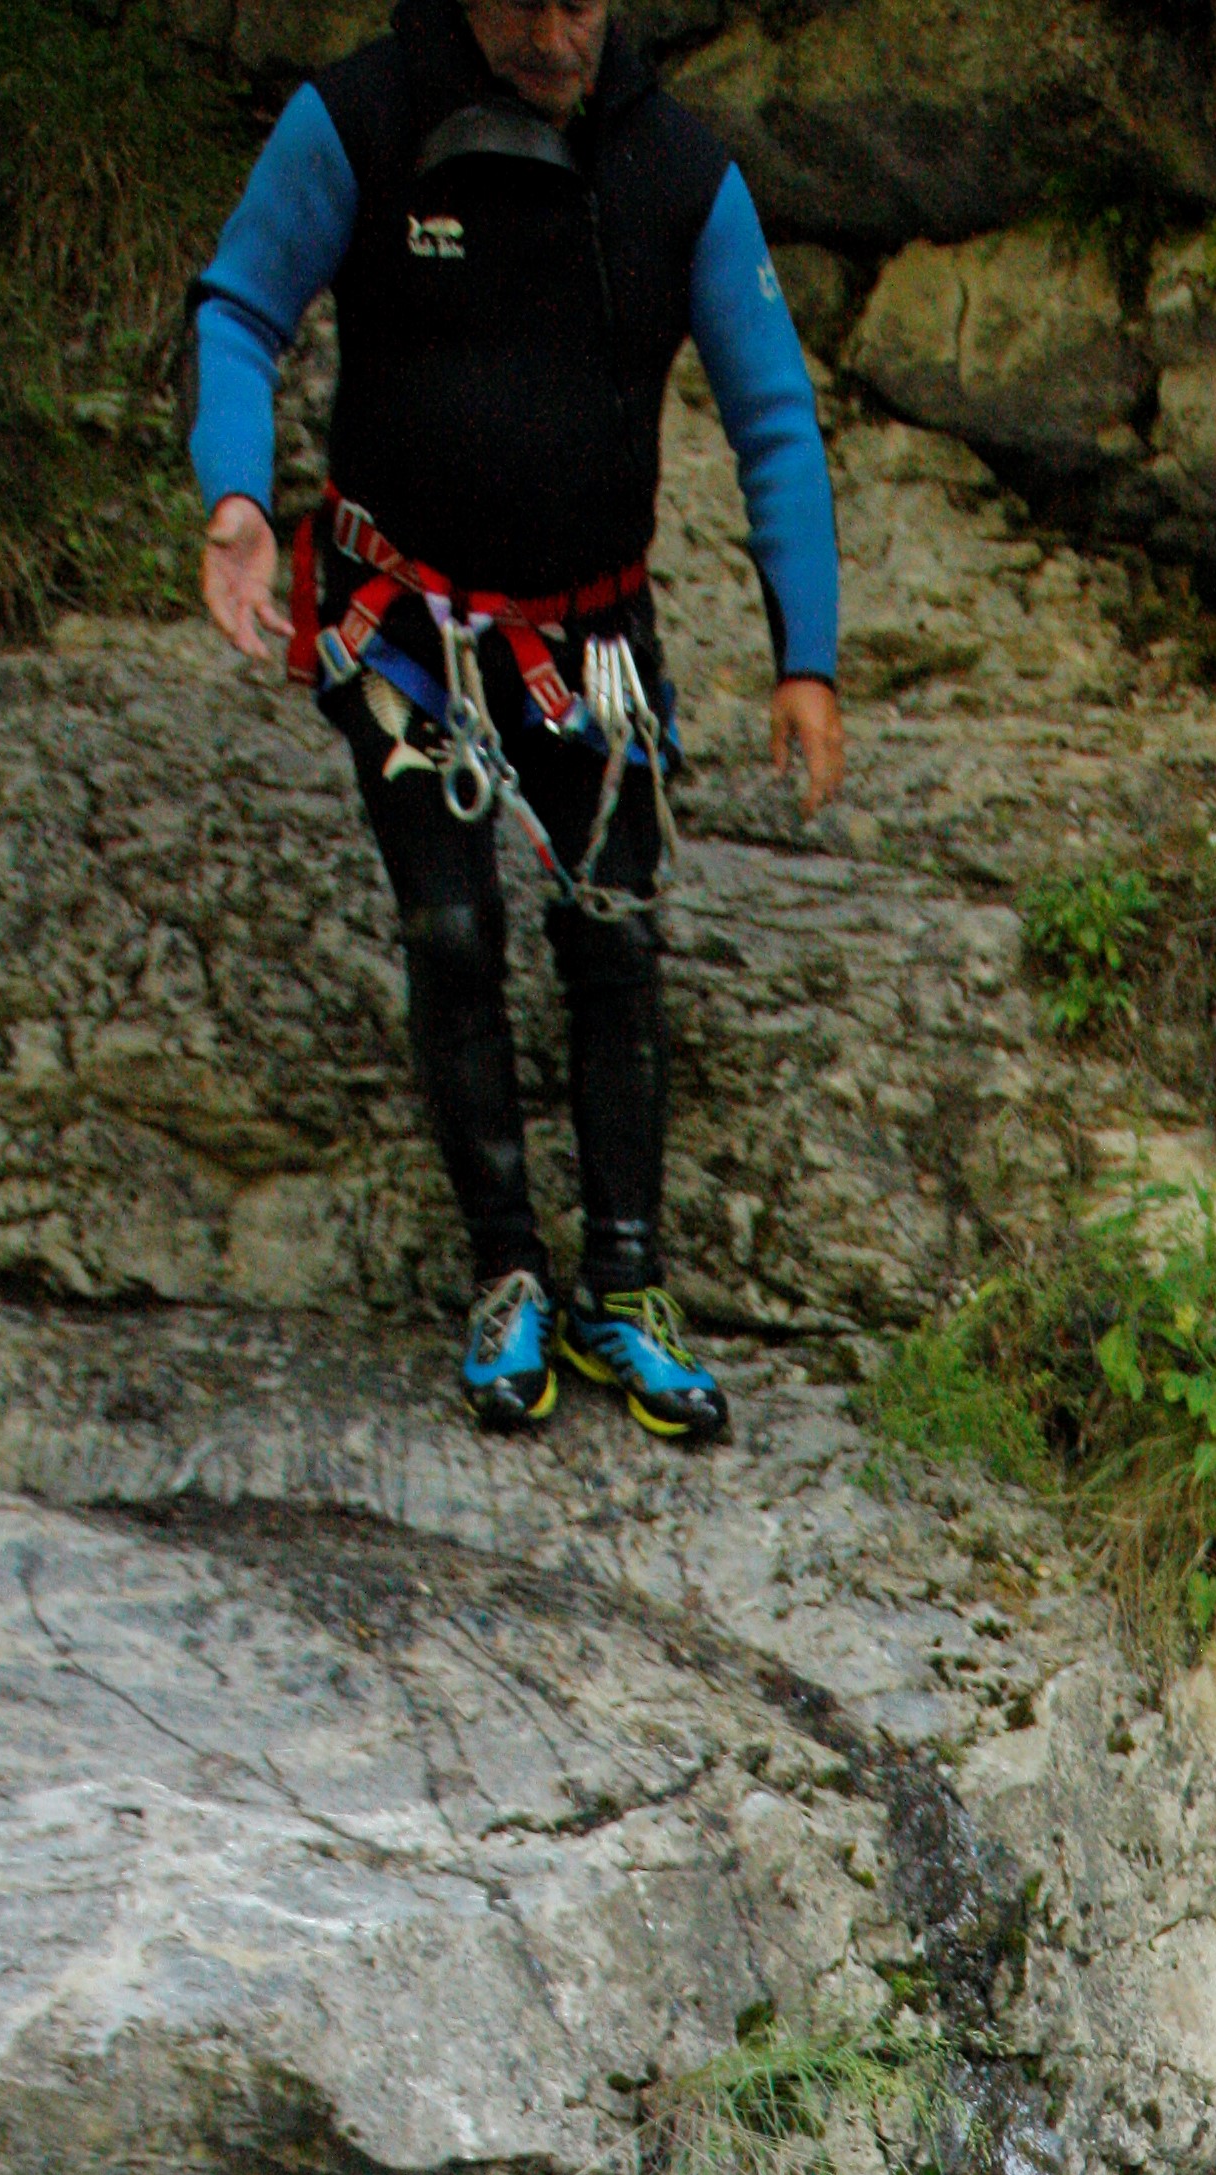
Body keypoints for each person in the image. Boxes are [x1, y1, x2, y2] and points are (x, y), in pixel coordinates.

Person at [188, 0, 844, 1444]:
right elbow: (241, 306)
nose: (557, 31)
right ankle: (506, 1271)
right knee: (453, 929)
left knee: (614, 932)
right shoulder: (361, 120)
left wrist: (811, 654)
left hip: (590, 634)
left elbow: (774, 414)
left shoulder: (677, 173)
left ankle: (626, 1281)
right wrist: (238, 494)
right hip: (403, 627)